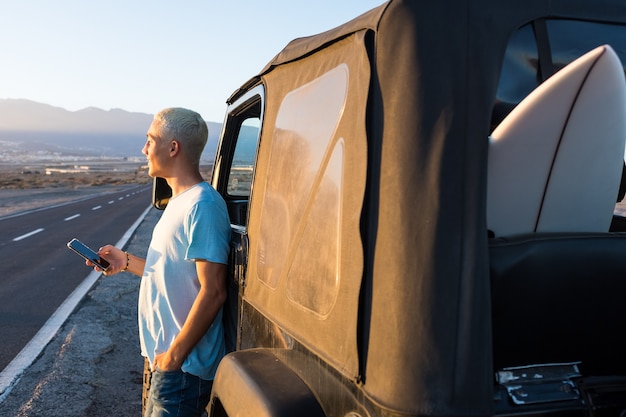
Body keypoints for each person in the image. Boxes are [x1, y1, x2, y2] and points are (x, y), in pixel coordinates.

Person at [89, 107, 231, 417]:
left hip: (182, 368)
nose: (144, 149)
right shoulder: (179, 202)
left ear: (173, 148)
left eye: (150, 140)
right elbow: (173, 272)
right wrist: (124, 261)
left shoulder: (203, 205)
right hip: (165, 363)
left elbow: (214, 290)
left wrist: (174, 358)